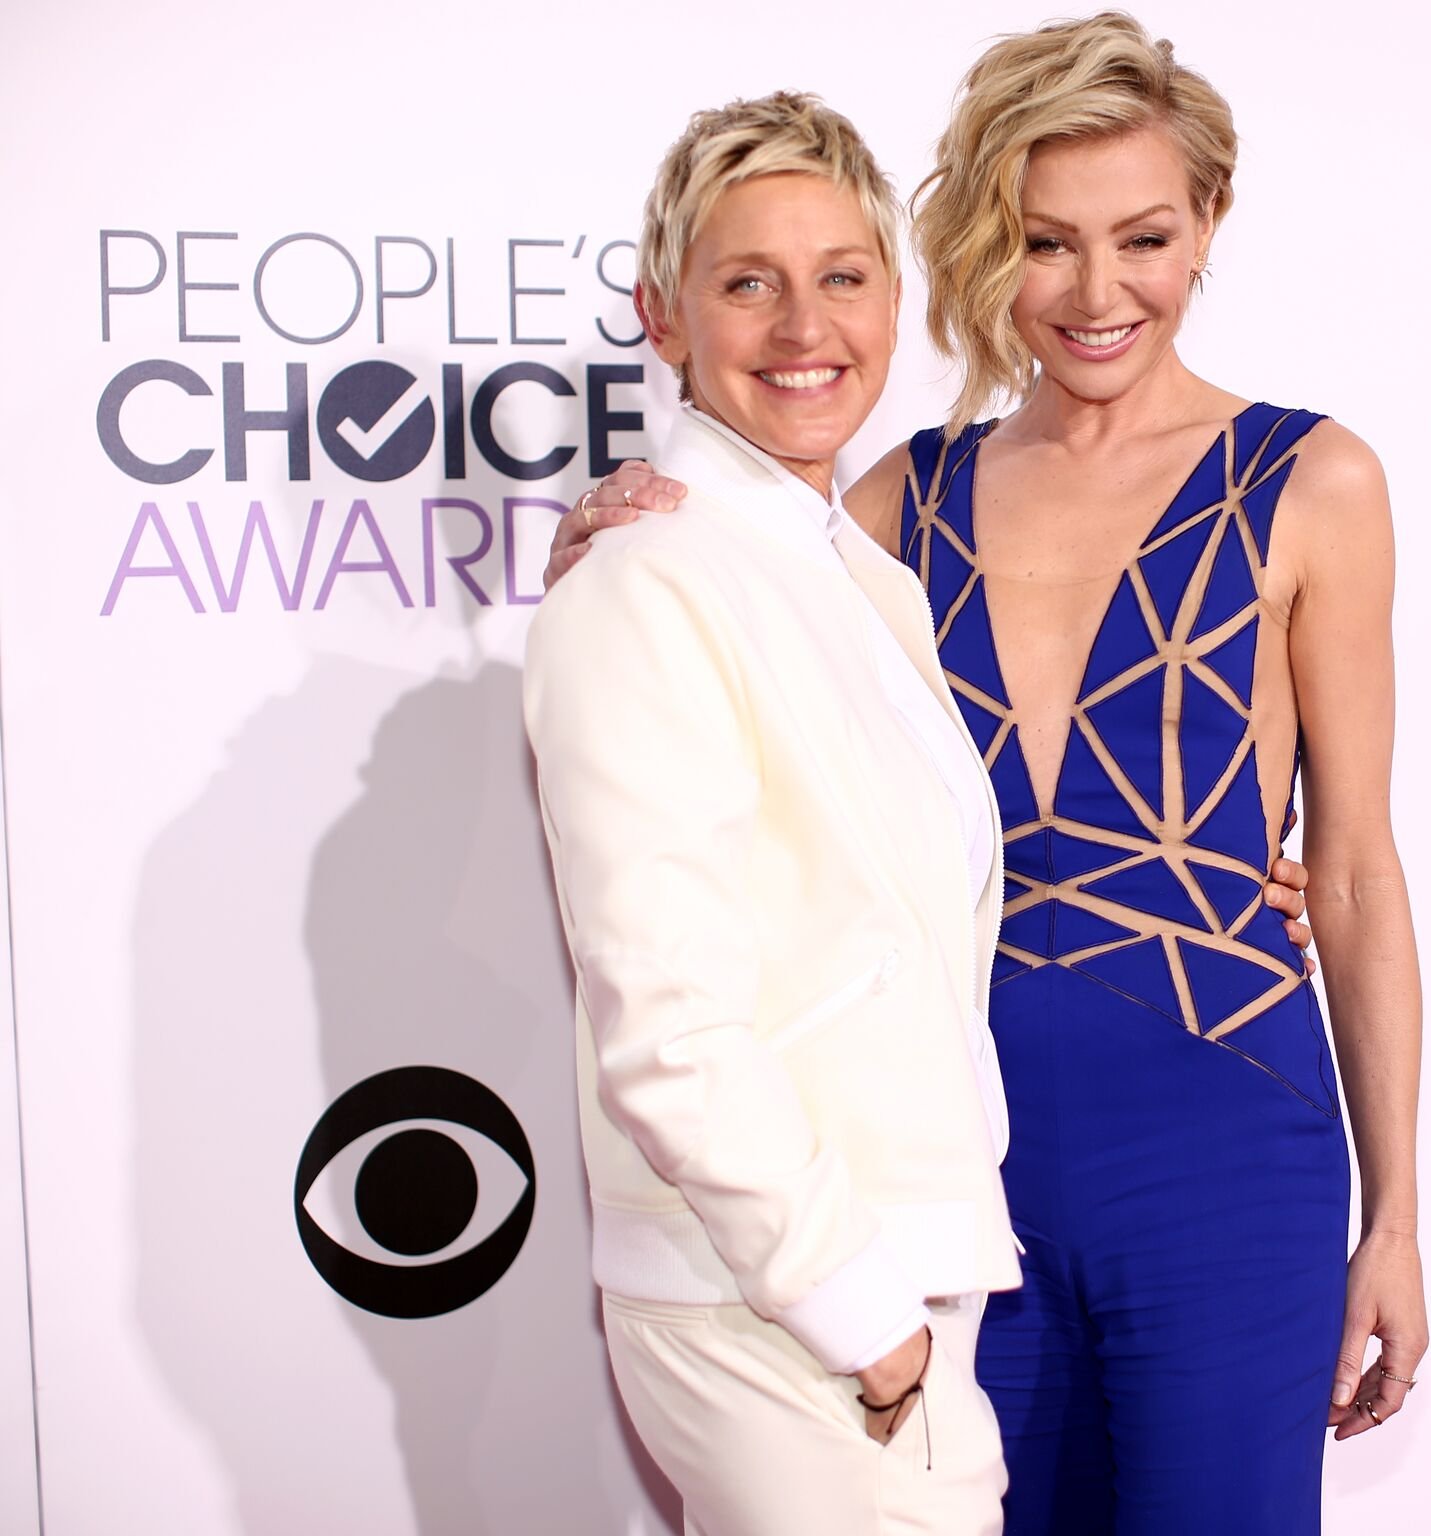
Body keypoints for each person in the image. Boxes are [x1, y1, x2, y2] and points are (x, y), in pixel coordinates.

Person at [553, 15, 1427, 1533]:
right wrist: (623, 523)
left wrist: (1397, 1218)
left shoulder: (1313, 481)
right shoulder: (895, 500)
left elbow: (1350, 867)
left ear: (1207, 226)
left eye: (1143, 238)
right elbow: (735, 642)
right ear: (978, 245)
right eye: (1043, 242)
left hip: (1225, 1151)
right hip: (955, 1187)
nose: (1098, 293)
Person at [523, 91, 1023, 1536]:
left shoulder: (858, 576)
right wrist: (859, 1317)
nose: (806, 326)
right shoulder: (643, 581)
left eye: (842, 277)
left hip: (877, 1278)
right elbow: (664, 1012)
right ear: (664, 318)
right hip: (788, 1308)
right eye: (749, 282)